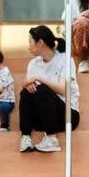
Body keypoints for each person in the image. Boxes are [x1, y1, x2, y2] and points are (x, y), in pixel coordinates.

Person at [19, 25, 80, 153]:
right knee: (26, 92)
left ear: (40, 42)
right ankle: (25, 137)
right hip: (42, 117)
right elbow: (26, 82)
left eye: (30, 42)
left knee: (42, 90)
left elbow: (63, 89)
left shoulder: (65, 60)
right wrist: (28, 85)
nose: (28, 46)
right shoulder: (33, 63)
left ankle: (52, 138)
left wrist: (38, 78)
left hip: (67, 115)